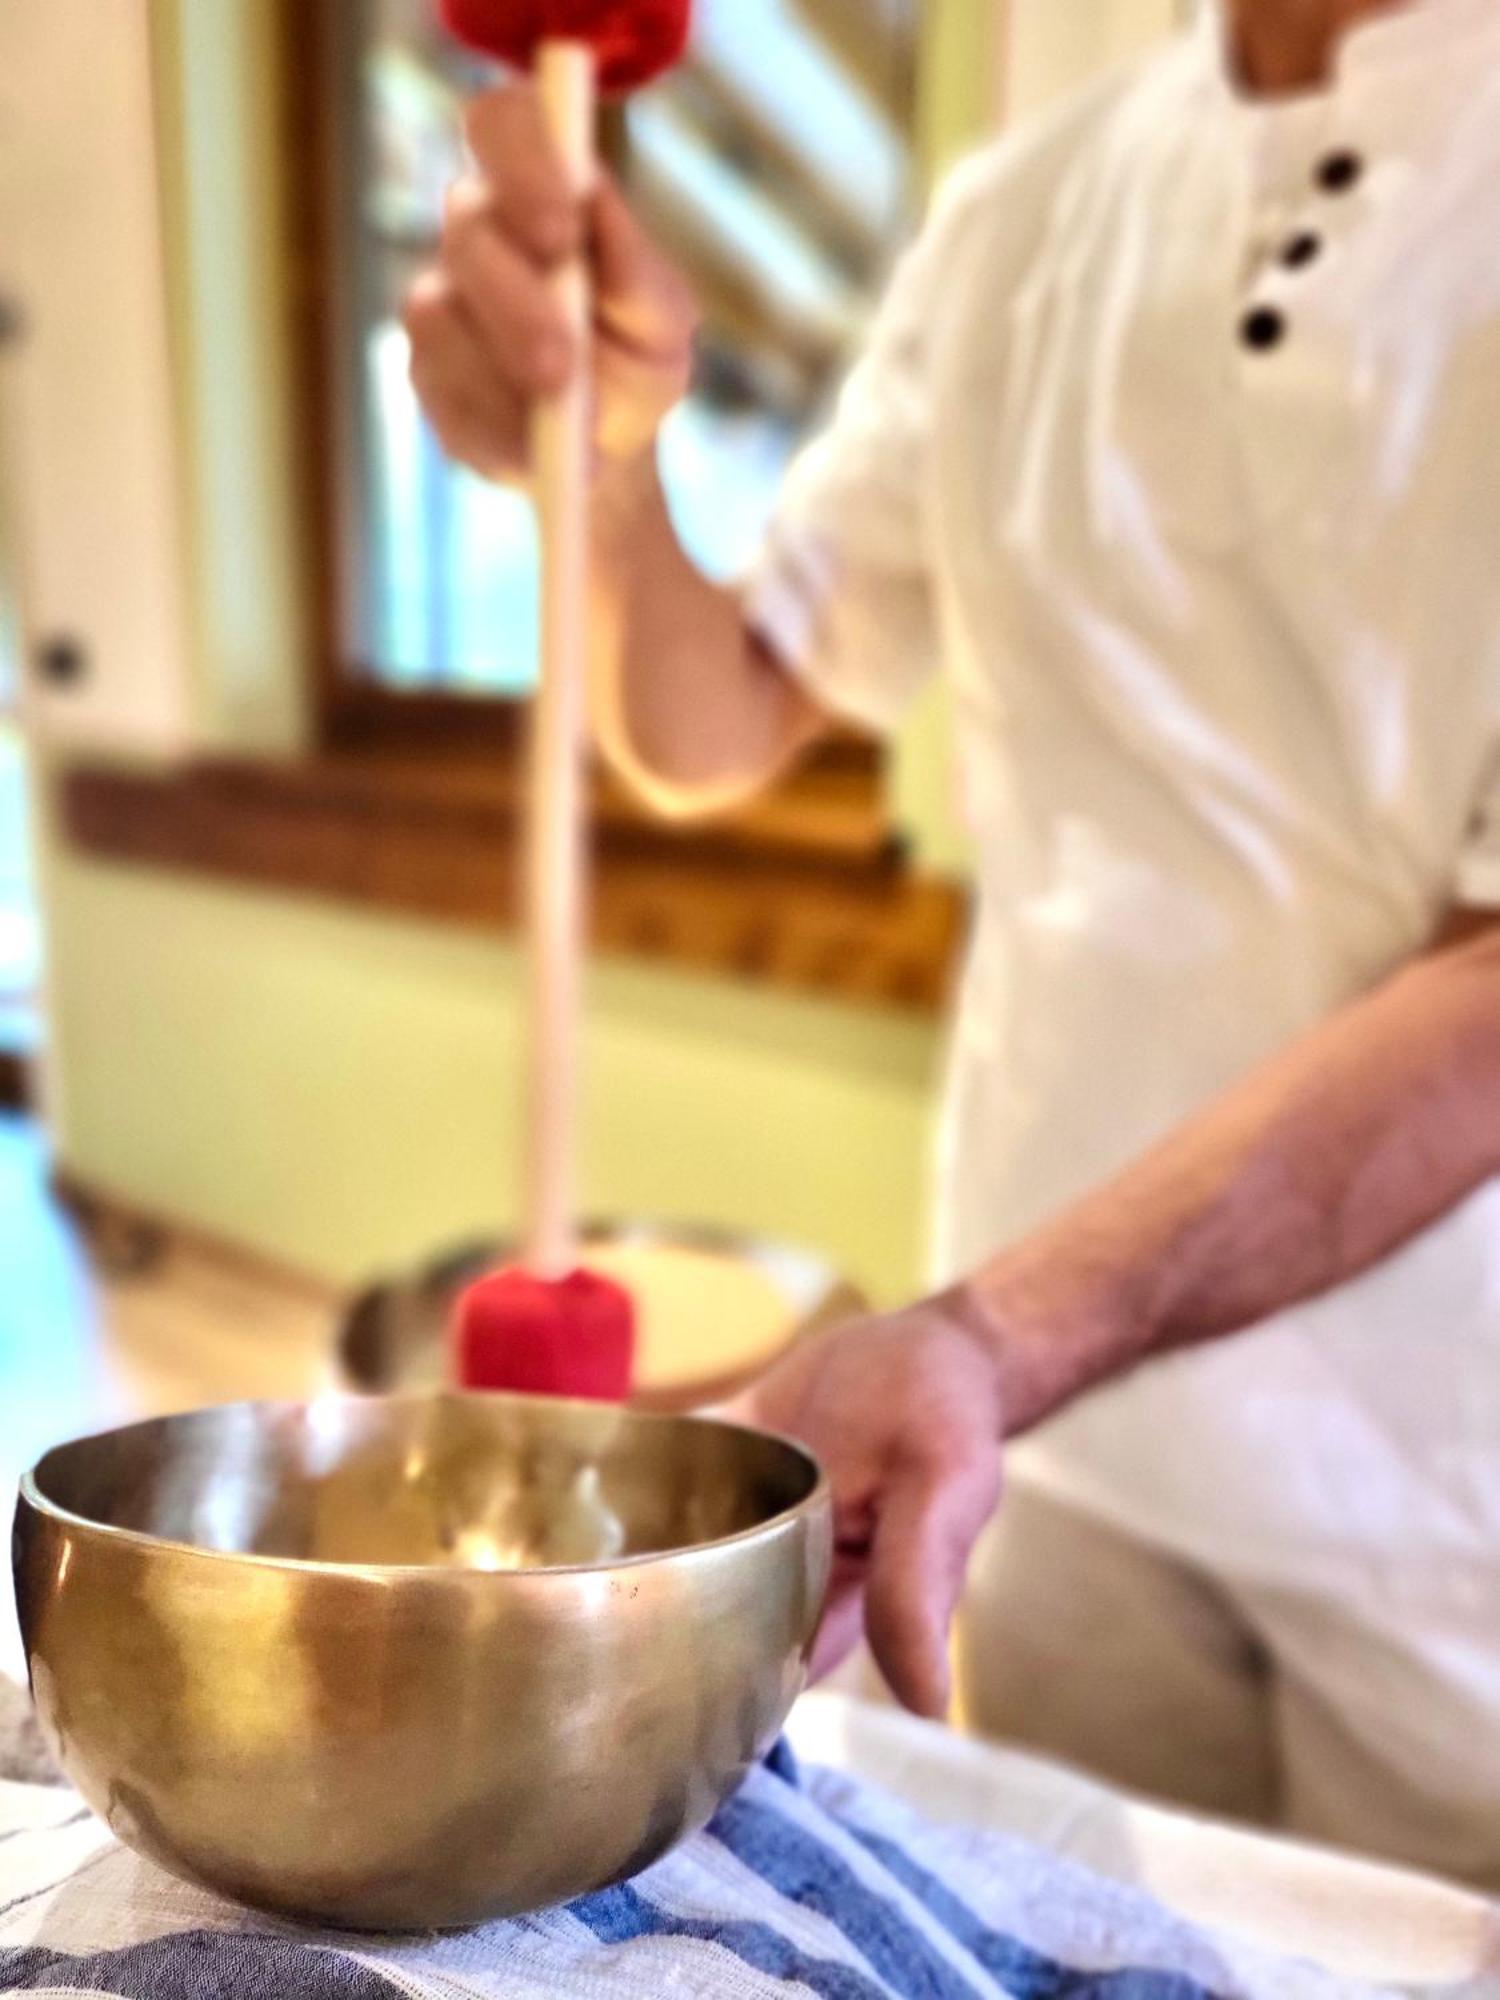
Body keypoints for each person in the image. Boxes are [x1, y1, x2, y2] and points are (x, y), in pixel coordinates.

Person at [406, 0, 1500, 1886]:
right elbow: (720, 711)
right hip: (1055, 1457)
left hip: (1448, 1481)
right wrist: (603, 455)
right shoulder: (1027, 211)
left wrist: (1002, 1337)